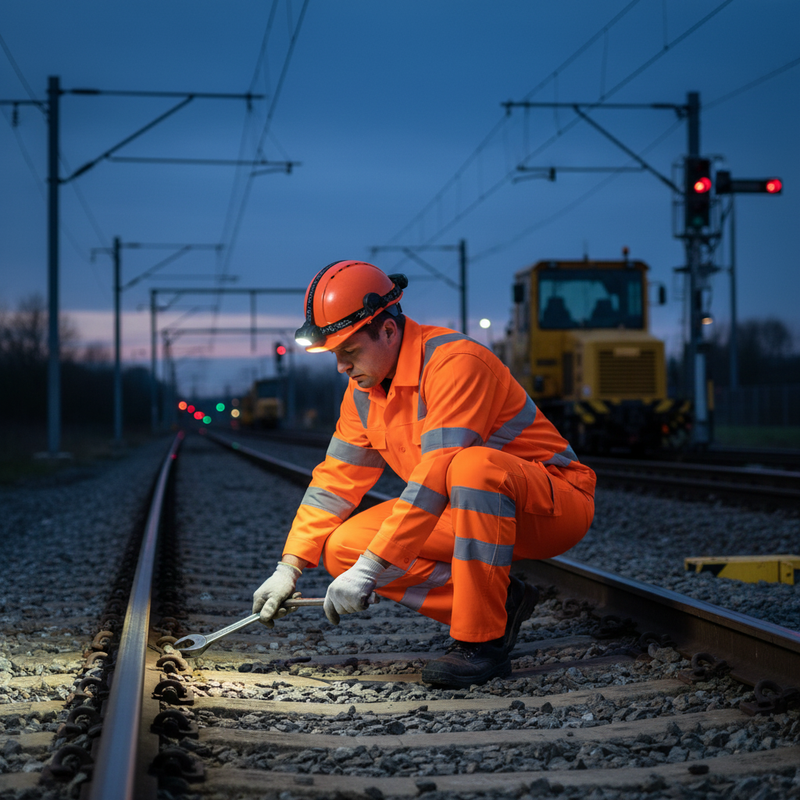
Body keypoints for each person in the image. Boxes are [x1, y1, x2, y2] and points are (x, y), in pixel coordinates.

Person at [253, 260, 596, 688]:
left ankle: (481, 644)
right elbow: (332, 483)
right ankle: (500, 603)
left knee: (471, 466)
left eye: (349, 351)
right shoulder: (363, 393)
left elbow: (437, 472)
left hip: (551, 504)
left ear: (389, 330)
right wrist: (290, 567)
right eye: (335, 355)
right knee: (342, 549)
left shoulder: (456, 362)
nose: (341, 366)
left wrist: (374, 567)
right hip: (466, 508)